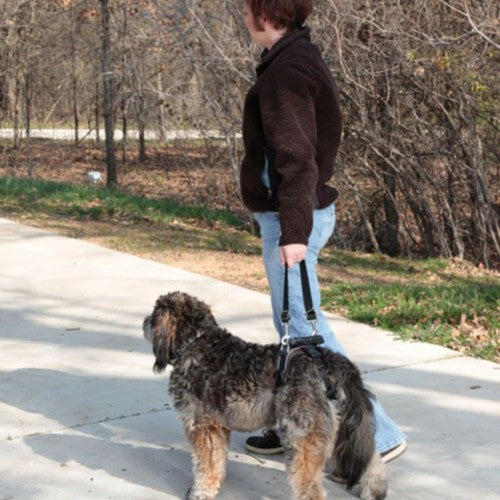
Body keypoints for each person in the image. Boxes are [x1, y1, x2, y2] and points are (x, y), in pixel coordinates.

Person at [239, 0, 407, 473]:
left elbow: (298, 160)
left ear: (266, 14)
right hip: (294, 215)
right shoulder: (293, 57)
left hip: (293, 218)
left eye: (247, 9)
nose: (244, 18)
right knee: (293, 332)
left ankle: (379, 436)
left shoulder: (286, 72)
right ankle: (293, 422)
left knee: (308, 336)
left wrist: (294, 232)